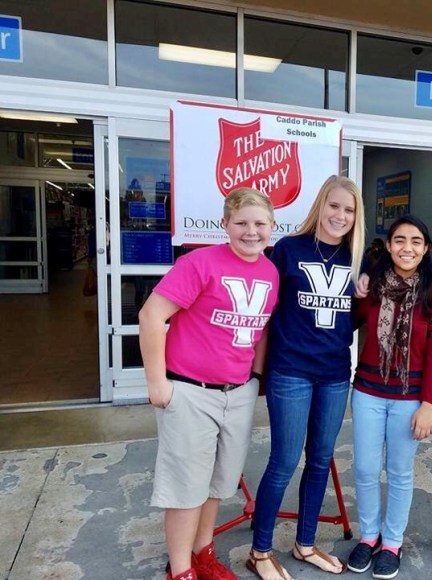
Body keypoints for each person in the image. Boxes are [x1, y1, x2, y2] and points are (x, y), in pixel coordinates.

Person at [139, 188, 279, 580]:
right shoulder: (200, 262)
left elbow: (262, 329)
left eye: (259, 224)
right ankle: (180, 569)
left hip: (237, 392)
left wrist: (255, 376)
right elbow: (152, 317)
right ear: (225, 225)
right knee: (186, 487)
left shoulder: (269, 271)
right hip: (190, 391)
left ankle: (203, 552)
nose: (251, 232)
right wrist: (157, 383)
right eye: (241, 223)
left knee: (219, 483)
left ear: (272, 227)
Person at [248, 175, 365, 580]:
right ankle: (260, 551)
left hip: (334, 374)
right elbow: (262, 310)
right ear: (320, 206)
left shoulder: (358, 259)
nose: (340, 215)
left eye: (349, 210)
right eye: (334, 206)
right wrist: (256, 370)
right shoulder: (288, 249)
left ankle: (305, 543)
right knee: (283, 461)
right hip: (291, 372)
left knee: (319, 461)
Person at [346, 215, 432, 580]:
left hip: (410, 397)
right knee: (365, 469)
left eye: (416, 241)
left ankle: (392, 542)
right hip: (368, 391)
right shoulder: (372, 287)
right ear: (388, 246)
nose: (408, 248)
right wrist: (357, 282)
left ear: (426, 249)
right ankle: (369, 536)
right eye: (400, 240)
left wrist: (428, 405)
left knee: (401, 472)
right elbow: (348, 321)